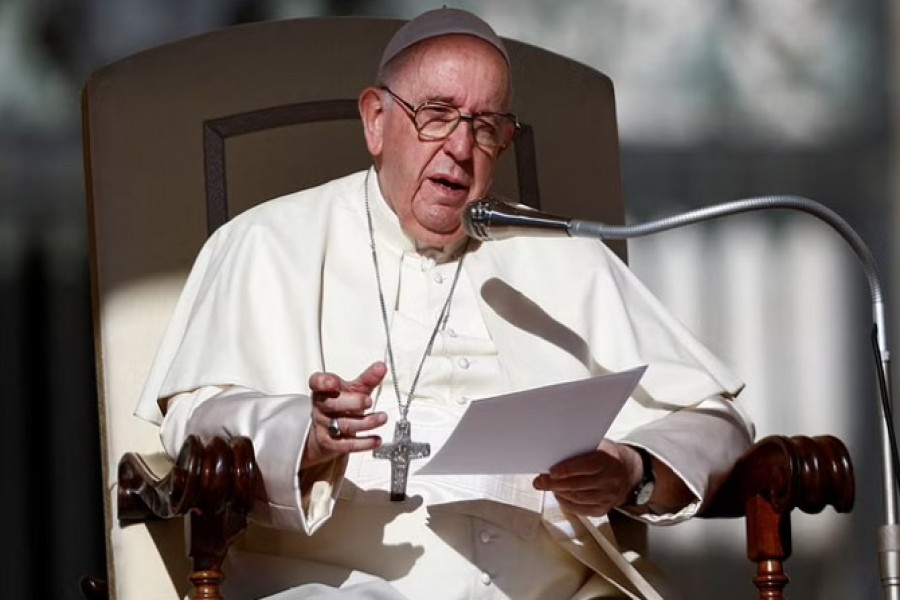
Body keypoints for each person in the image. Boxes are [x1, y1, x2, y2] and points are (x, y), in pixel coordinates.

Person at [135, 8, 754, 600]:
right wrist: (308, 433)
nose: (460, 147)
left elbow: (716, 420)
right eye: (436, 113)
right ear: (375, 120)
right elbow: (196, 419)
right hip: (335, 587)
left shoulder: (562, 255)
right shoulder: (266, 242)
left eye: (486, 127)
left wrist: (634, 469)